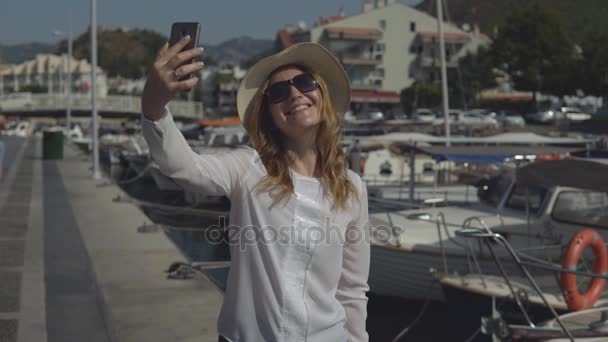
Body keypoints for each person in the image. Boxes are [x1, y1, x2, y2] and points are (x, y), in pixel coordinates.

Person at [141, 36, 370, 342]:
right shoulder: (248, 169)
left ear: (321, 94)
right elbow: (183, 166)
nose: (293, 93)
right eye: (277, 91)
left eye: (304, 82)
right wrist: (154, 103)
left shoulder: (352, 188)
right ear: (270, 116)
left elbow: (352, 290)